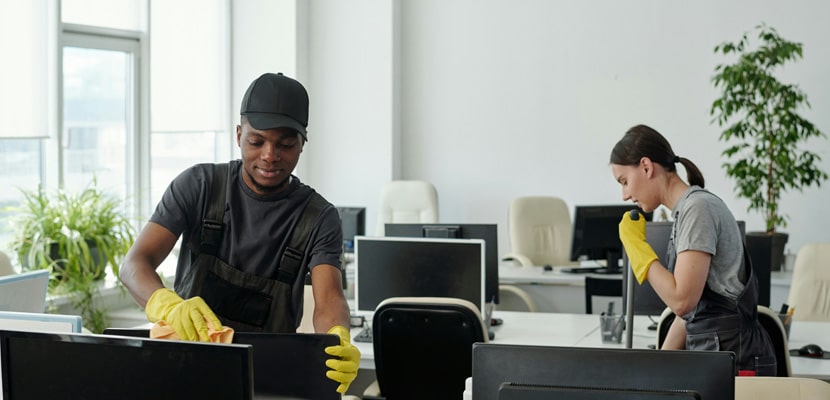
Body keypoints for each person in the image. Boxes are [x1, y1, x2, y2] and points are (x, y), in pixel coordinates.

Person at [120, 72, 359, 393]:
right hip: (184, 367)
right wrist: (168, 305)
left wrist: (337, 335)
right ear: (238, 135)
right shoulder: (199, 186)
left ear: (302, 143)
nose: (270, 155)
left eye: (285, 144)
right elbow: (135, 264)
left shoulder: (318, 217)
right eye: (256, 141)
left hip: (268, 379)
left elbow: (329, 297)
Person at [610, 124, 777, 376]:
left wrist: (638, 249)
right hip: (717, 353)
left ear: (646, 166)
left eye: (624, 181)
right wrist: (656, 371)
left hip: (736, 357)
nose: (624, 195)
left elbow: (681, 301)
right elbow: (690, 315)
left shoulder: (698, 209)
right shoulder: (685, 213)